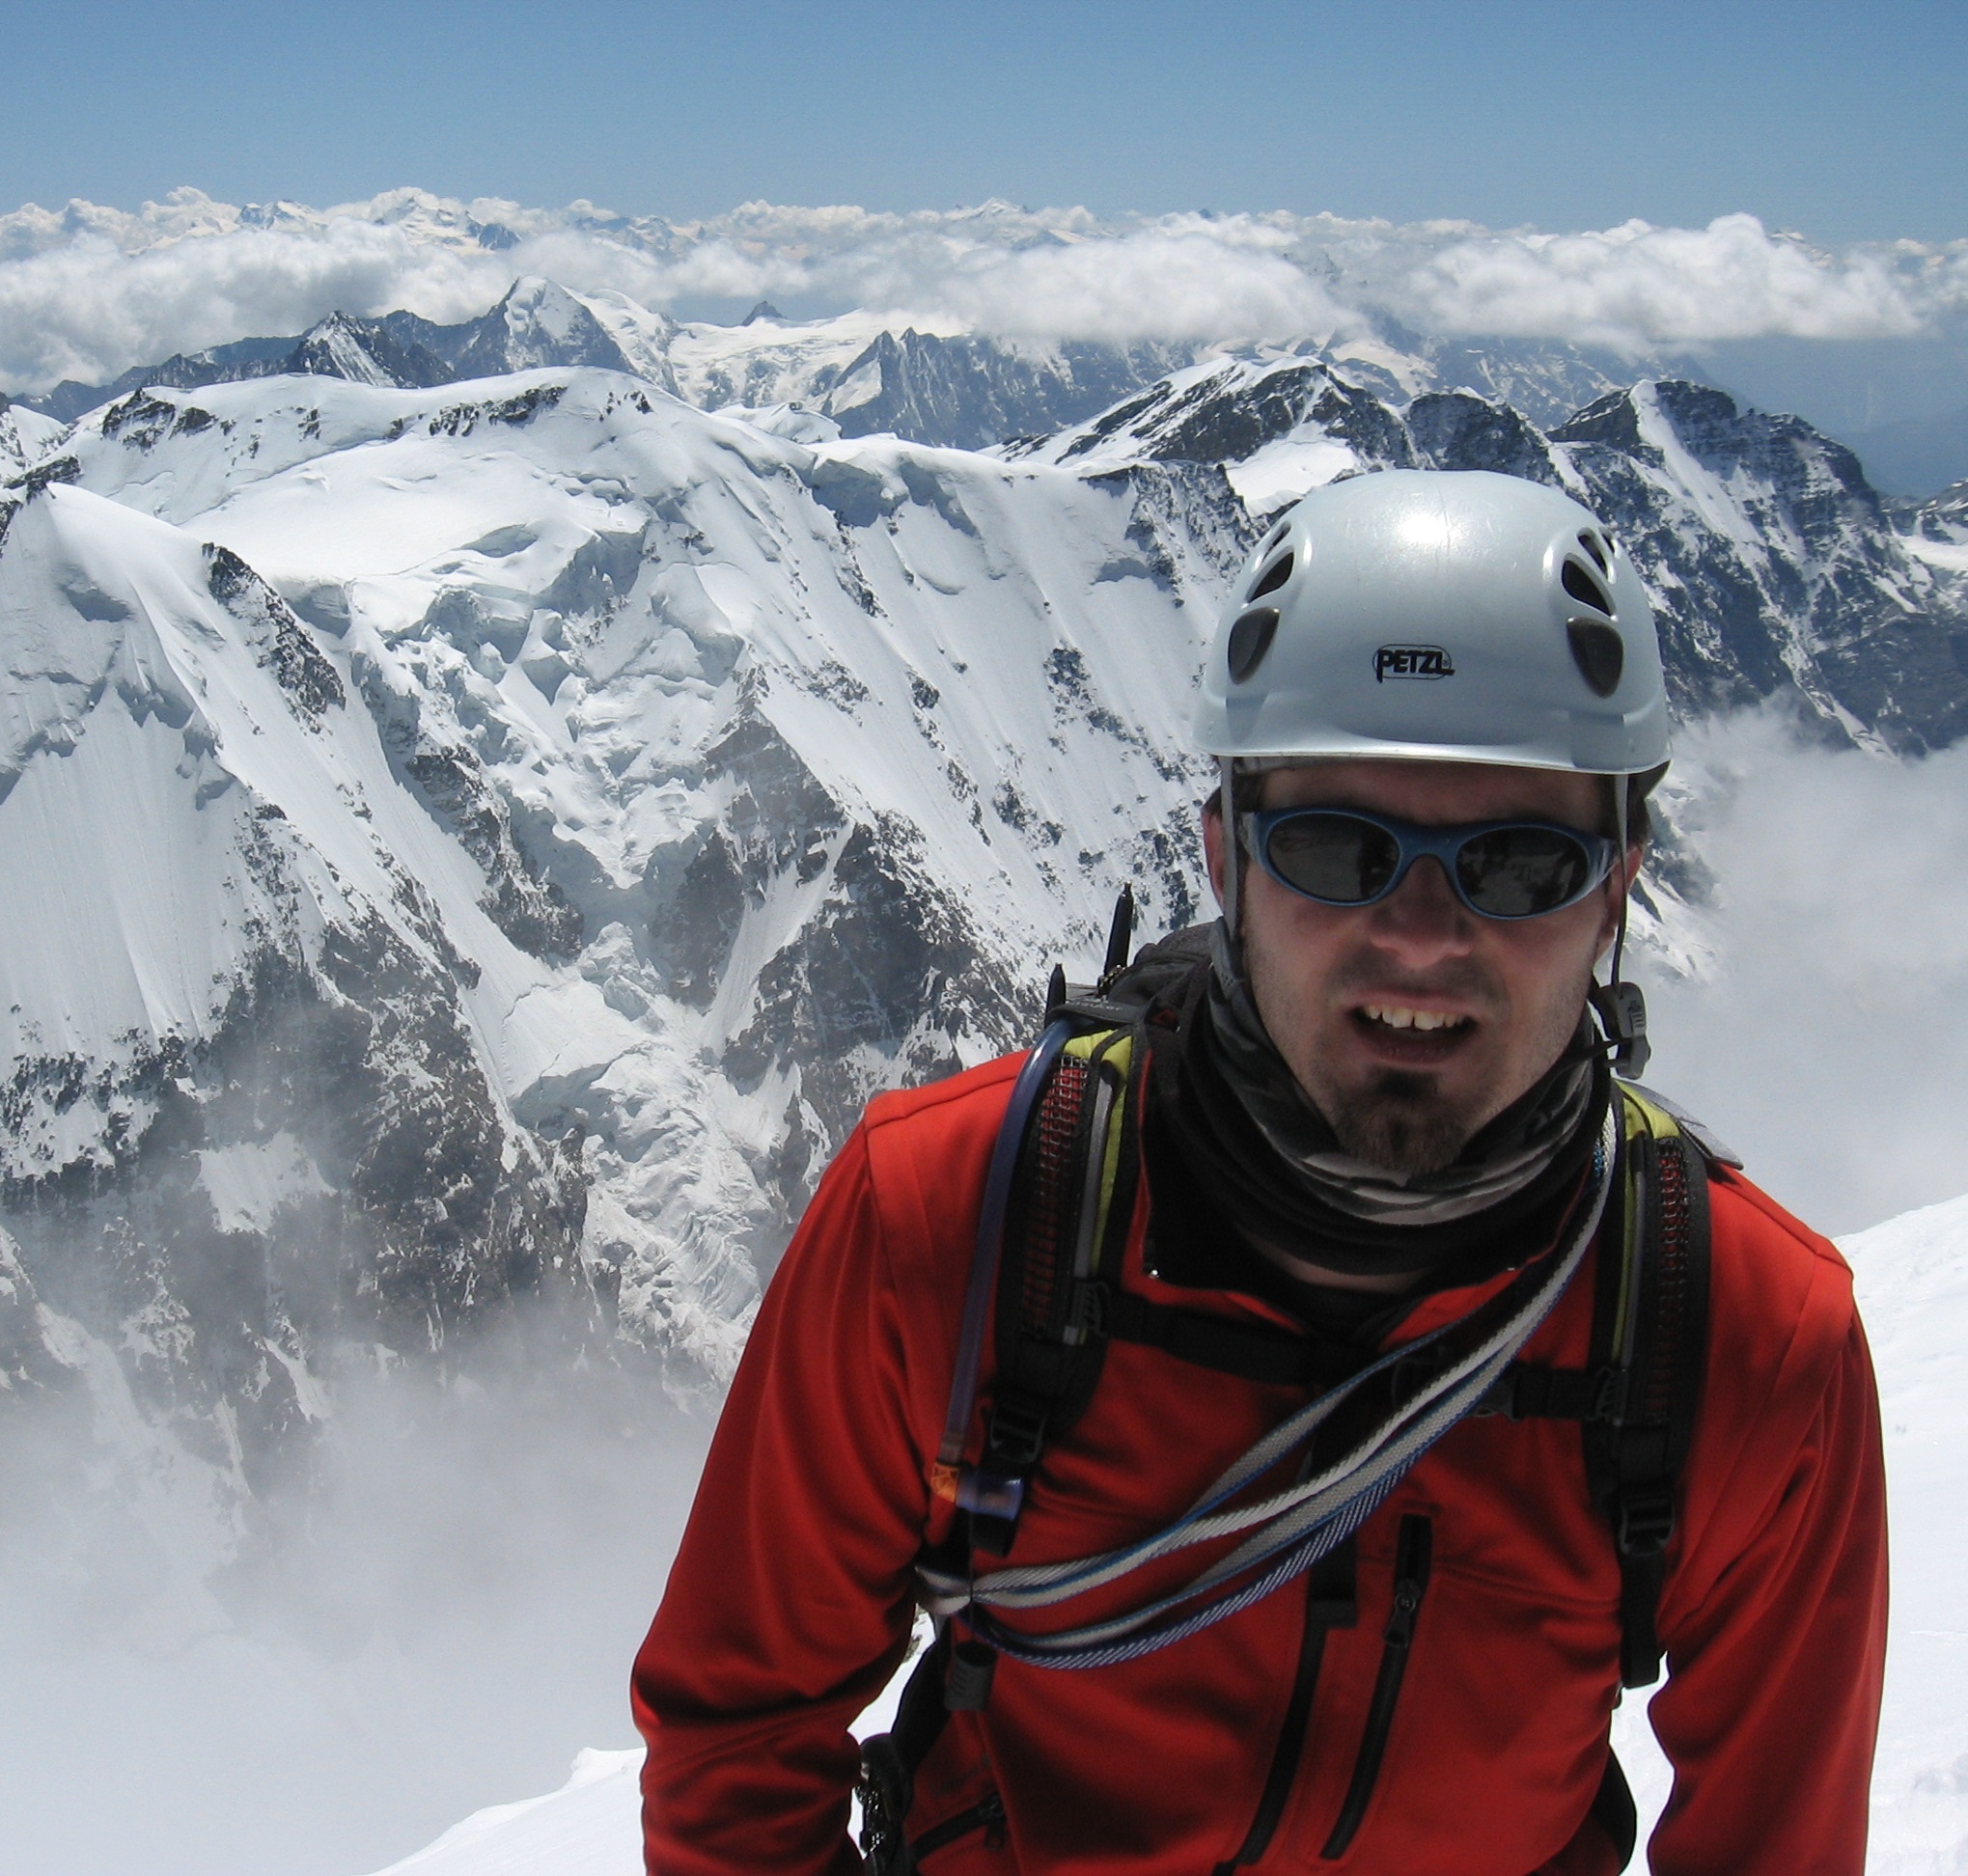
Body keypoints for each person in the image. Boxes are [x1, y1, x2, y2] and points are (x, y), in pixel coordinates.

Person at [630, 469, 1888, 1875]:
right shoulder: (952, 1220)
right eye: (1338, 848)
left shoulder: (1746, 1344)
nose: (1421, 935)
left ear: (1620, 887)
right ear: (1226, 857)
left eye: (1521, 864)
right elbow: (739, 1743)